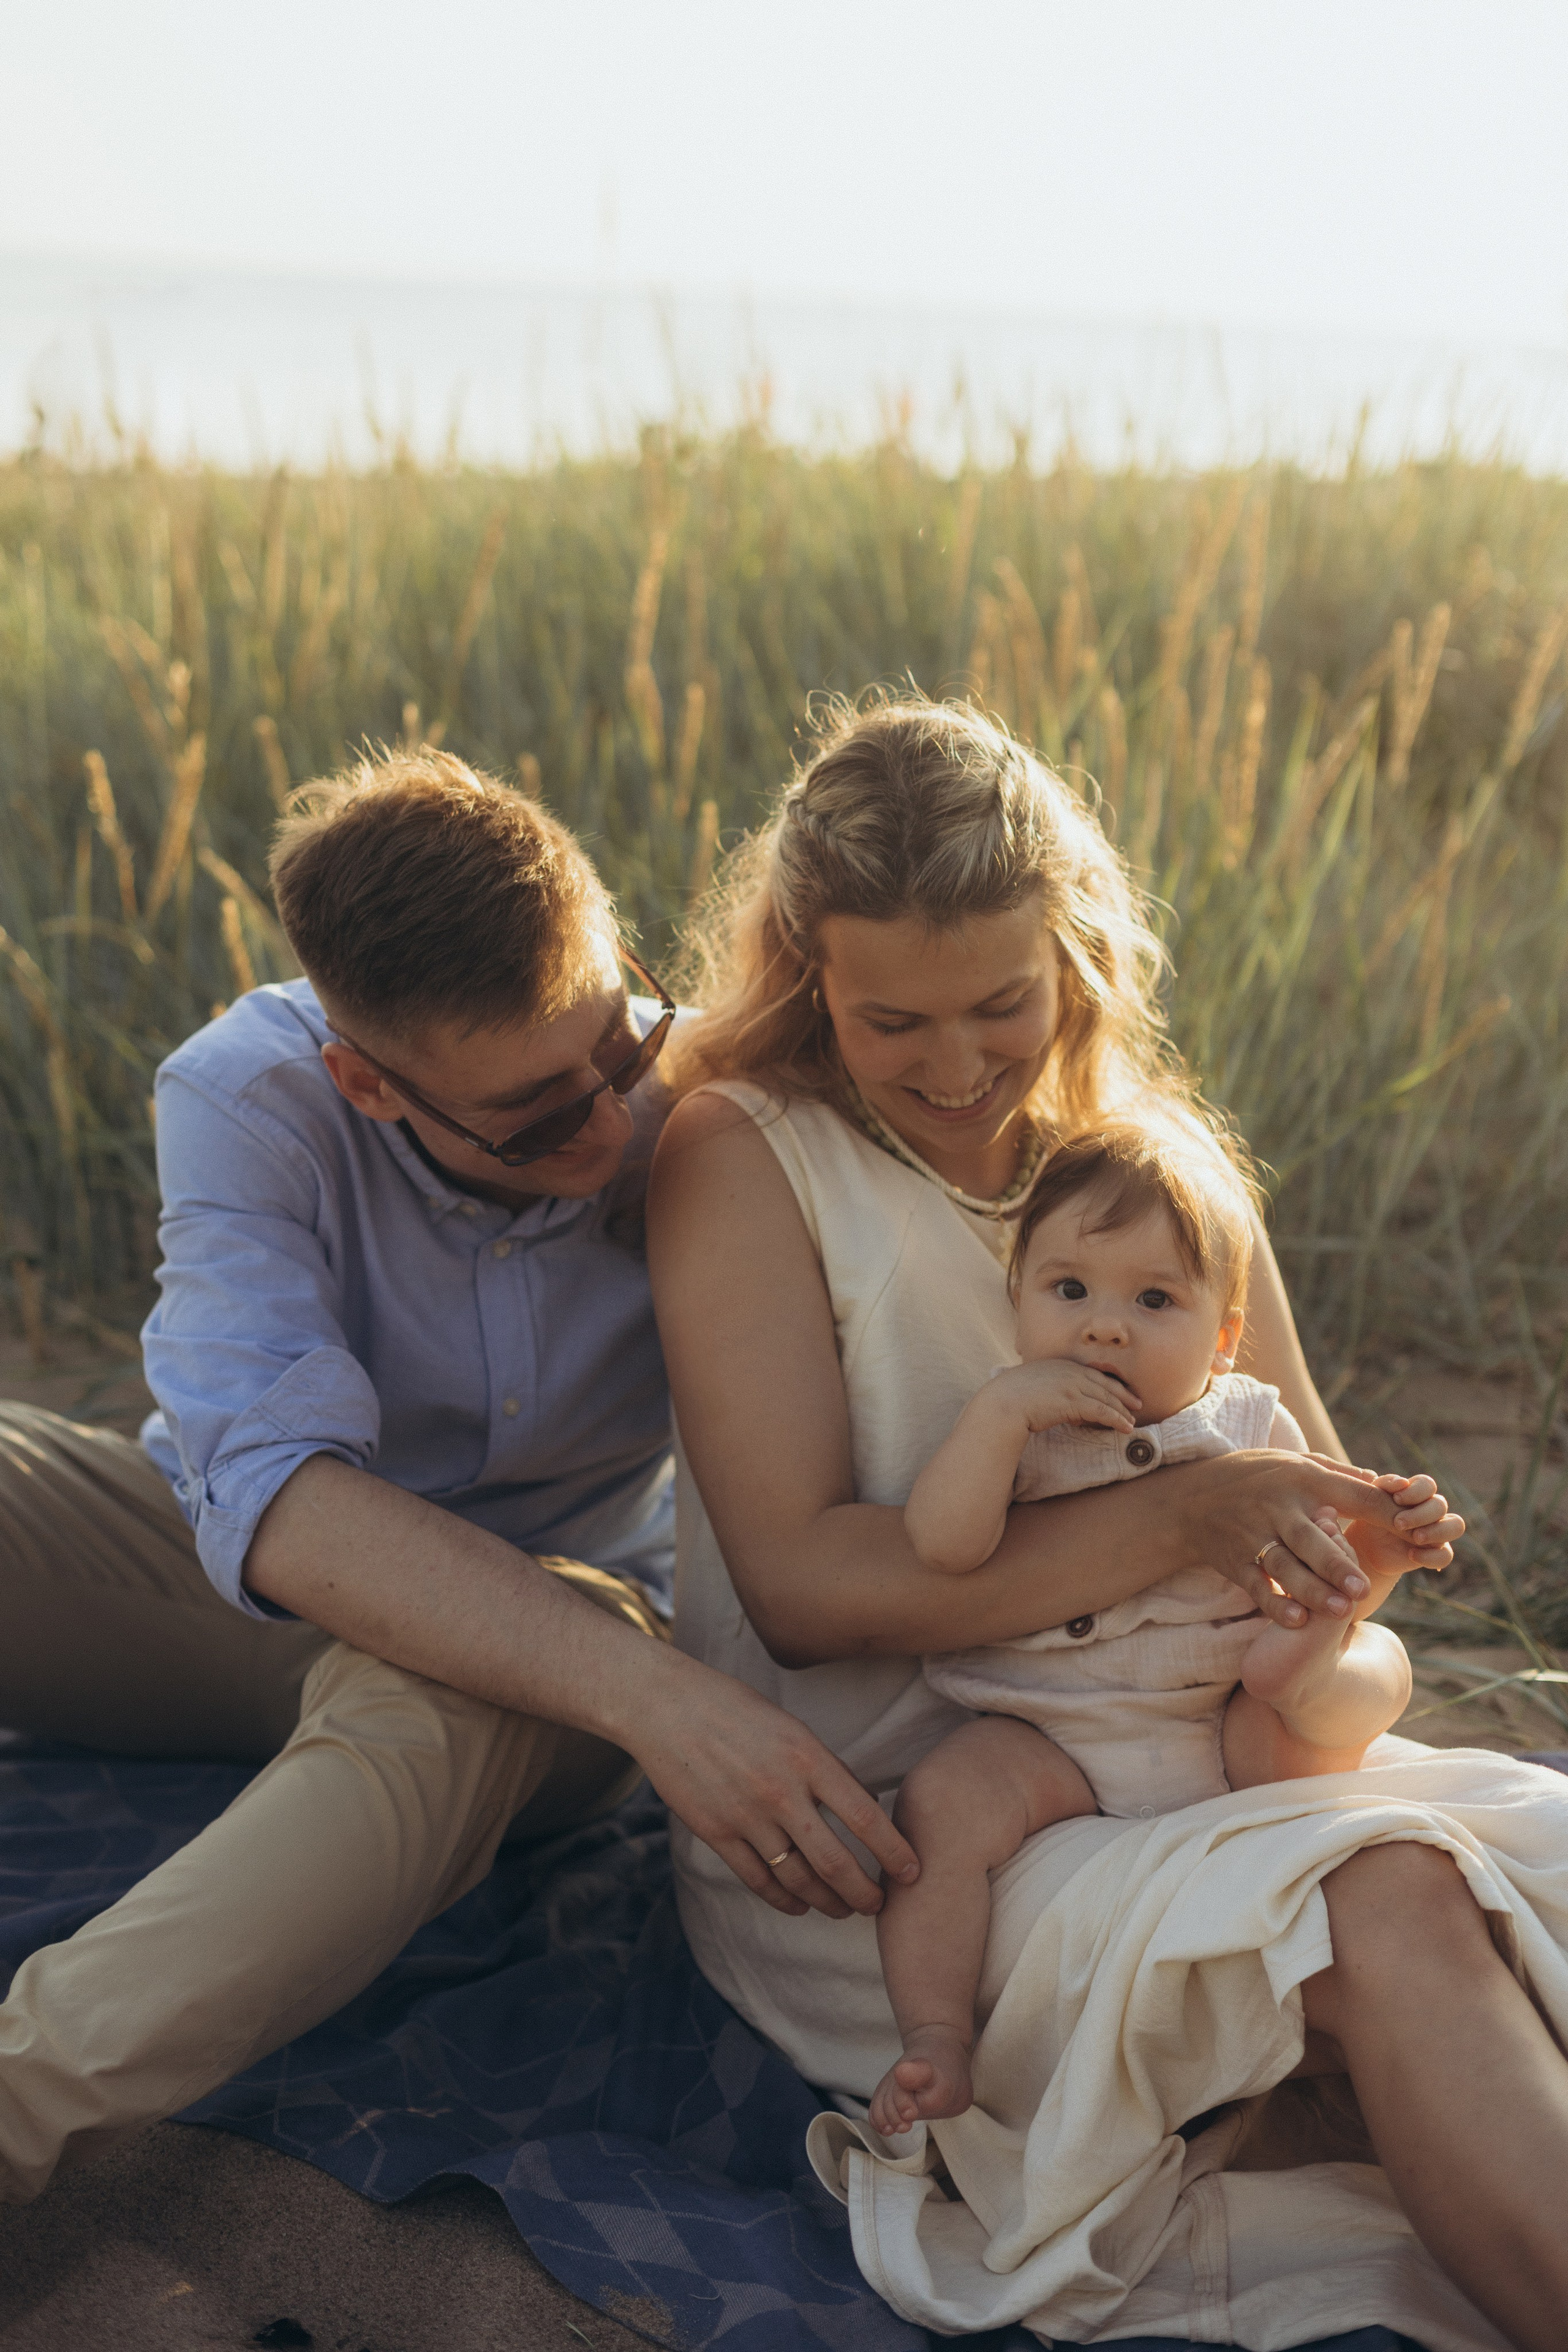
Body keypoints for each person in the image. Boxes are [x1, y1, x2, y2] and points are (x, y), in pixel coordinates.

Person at [647, 695, 1568, 2351]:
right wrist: (1189, 1519)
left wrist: (1332, 1617)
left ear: (1073, 952)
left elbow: (1310, 1541)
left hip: (1197, 1765)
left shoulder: (1157, 1177)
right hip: (909, 1838)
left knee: (1475, 1895)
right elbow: (803, 1589)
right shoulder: (744, 1153)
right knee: (1386, 1902)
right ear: (806, 974)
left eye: (999, 1004)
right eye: (890, 1020)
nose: (954, 1067)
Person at [0, 748, 920, 2207]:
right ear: (363, 1082)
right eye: (539, 1117)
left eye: (617, 1051)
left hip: (557, 1634)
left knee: (467, 1684)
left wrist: (635, 1682)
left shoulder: (713, 1098)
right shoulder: (245, 1096)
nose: (608, 1127)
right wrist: (670, 1702)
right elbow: (273, 1495)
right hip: (227, 1575)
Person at [872, 1118, 1424, 2136]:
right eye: (1068, 1290)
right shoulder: (1015, 1428)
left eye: (1154, 1301)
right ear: (1018, 1300)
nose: (1104, 1329)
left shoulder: (1250, 1427)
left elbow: (1299, 1558)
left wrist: (1365, 1554)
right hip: (1049, 1737)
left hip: (1221, 1717)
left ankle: (1312, 1663)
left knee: (1312, 1687)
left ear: (1225, 1336)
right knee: (942, 1804)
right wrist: (999, 1418)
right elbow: (943, 1547)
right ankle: (936, 2035)